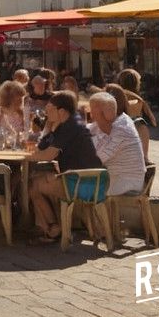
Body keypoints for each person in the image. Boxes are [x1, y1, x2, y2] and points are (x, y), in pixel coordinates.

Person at [27, 91, 103, 244]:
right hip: (78, 178)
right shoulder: (65, 124)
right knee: (35, 182)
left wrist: (24, 157)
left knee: (34, 186)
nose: (46, 114)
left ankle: (52, 229)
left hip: (84, 182)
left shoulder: (71, 126)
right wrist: (48, 126)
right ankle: (52, 228)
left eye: (49, 110)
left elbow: (47, 155)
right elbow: (42, 146)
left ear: (61, 111)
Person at [88, 91, 146, 197]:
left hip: (126, 184)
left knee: (71, 188)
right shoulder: (108, 123)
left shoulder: (122, 129)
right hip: (115, 180)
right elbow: (84, 130)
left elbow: (94, 161)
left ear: (100, 113)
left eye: (92, 110)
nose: (90, 114)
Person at [116, 68, 156, 160]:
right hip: (135, 127)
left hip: (119, 128)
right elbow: (153, 121)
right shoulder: (138, 99)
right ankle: (145, 158)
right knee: (142, 126)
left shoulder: (116, 96)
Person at [0, 80, 27, 148]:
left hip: (19, 148)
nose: (21, 100)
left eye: (22, 97)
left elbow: (27, 134)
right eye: (18, 97)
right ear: (9, 98)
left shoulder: (23, 113)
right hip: (1, 148)